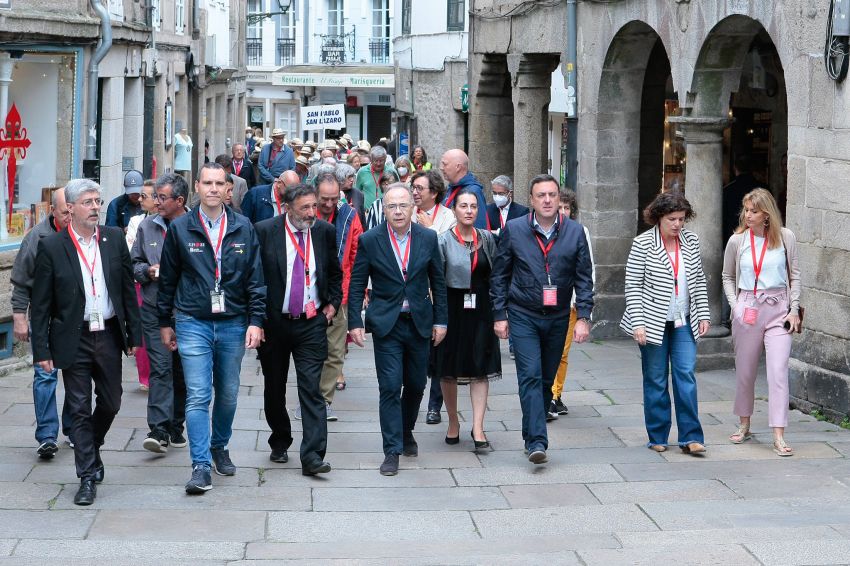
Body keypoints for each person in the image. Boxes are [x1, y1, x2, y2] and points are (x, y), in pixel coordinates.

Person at [31, 178, 142, 506]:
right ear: (71, 209)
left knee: (112, 402)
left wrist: (133, 335)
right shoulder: (52, 247)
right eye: (89, 202)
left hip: (107, 333)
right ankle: (87, 475)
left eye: (98, 201)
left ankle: (90, 446)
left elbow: (126, 292)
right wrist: (41, 350)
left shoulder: (113, 239)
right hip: (72, 336)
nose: (96, 207)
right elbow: (40, 305)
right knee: (78, 406)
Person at [157, 163, 266, 494]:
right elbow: (168, 279)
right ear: (197, 186)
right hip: (193, 321)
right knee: (199, 394)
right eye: (208, 183)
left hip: (233, 321)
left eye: (220, 183)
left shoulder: (244, 227)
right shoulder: (181, 228)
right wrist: (165, 322)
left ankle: (220, 445)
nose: (214, 189)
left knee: (229, 394)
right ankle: (200, 464)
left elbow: (256, 279)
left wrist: (256, 321)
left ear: (228, 189)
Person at [490, 174, 593, 464]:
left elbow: (584, 278)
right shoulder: (514, 229)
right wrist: (500, 314)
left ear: (559, 199)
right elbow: (500, 275)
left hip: (559, 314)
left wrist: (583, 316)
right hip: (524, 313)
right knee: (530, 375)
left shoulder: (575, 232)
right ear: (532, 200)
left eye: (552, 195)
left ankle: (529, 430)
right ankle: (537, 441)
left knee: (546, 378)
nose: (547, 200)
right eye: (541, 195)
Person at [348, 183, 448, 476]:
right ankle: (391, 450)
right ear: (384, 209)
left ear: (413, 208)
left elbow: (438, 283)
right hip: (387, 324)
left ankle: (406, 431)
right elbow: (357, 284)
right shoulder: (370, 240)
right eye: (392, 206)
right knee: (390, 386)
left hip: (418, 323)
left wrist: (441, 320)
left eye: (403, 205)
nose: (398, 211)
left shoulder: (428, 238)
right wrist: (355, 321)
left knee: (416, 384)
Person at [255, 183, 342, 474]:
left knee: (311, 389)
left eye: (313, 206)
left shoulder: (324, 232)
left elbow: (334, 272)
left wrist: (332, 305)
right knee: (274, 387)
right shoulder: (265, 230)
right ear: (286, 208)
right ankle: (280, 439)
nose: (311, 213)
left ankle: (313, 456)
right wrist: (256, 321)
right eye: (304, 207)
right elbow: (254, 277)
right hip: (275, 323)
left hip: (311, 323)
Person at [620, 191, 711, 455]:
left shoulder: (691, 241)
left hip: (684, 320)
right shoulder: (642, 244)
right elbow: (633, 286)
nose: (677, 225)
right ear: (659, 218)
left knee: (686, 375)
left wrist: (703, 314)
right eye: (672, 219)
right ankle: (658, 435)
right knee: (656, 379)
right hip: (651, 321)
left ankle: (690, 437)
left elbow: (699, 280)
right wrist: (638, 323)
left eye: (682, 219)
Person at [723, 188, 801, 457]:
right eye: (746, 210)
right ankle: (744, 423)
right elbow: (727, 277)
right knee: (745, 371)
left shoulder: (786, 237)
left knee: (778, 371)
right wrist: (736, 307)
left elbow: (795, 276)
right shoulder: (737, 241)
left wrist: (793, 310)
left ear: (766, 214)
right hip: (748, 307)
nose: (748, 215)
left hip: (779, 309)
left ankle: (778, 434)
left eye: (753, 211)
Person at [434, 189, 501, 450]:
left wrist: (499, 313)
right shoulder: (442, 241)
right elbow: (437, 280)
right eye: (464, 206)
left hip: (482, 310)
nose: (469, 210)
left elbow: (495, 275)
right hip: (452, 309)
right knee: (449, 368)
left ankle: (478, 427)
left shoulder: (487, 238)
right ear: (455, 210)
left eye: (474, 206)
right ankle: (453, 421)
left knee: (480, 368)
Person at [11, 187, 73, 459]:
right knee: (45, 374)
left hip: (76, 317)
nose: (70, 216)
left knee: (76, 375)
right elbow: (21, 280)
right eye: (65, 212)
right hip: (45, 317)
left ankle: (73, 428)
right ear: (53, 211)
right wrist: (19, 317)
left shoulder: (89, 233)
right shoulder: (37, 236)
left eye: (73, 209)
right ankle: (47, 435)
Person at [131, 173, 189, 454]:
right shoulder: (146, 227)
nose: (156, 202)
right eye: (156, 197)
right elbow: (134, 263)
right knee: (161, 368)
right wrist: (147, 272)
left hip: (189, 311)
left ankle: (177, 424)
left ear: (180, 201)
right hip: (155, 310)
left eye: (162, 198)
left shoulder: (196, 225)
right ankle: (159, 428)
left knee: (182, 371)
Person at [410, 169, 457, 425]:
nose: (415, 192)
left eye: (420, 188)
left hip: (439, 290)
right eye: (413, 187)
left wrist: (431, 232)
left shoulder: (448, 217)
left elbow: (451, 252)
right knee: (421, 351)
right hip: (415, 293)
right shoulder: (405, 213)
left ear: (434, 192)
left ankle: (434, 405)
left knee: (440, 349)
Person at [316, 172, 363, 403]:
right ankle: (311, 397)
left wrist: (358, 291)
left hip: (339, 292)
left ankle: (324, 400)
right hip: (307, 292)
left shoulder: (349, 216)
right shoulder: (305, 211)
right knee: (311, 350)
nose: (328, 204)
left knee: (335, 350)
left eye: (334, 199)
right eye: (324, 198)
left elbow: (356, 254)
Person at [548, 189, 595, 418]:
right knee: (549, 352)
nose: (564, 212)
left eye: (568, 208)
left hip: (570, 303)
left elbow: (588, 269)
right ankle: (549, 393)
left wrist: (583, 306)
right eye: (561, 208)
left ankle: (555, 395)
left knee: (562, 353)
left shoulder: (579, 232)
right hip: (545, 303)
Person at [125, 180, 157, 392]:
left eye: (144, 196)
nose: (139, 199)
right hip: (143, 283)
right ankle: (146, 377)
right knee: (144, 334)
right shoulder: (138, 221)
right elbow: (131, 252)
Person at [439, 149, 487, 229]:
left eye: (445, 164)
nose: (441, 168)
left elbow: (479, 228)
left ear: (458, 167)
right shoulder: (451, 188)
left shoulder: (473, 191)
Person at [355, 146, 396, 210]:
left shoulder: (392, 171)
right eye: (376, 161)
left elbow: (398, 190)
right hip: (367, 213)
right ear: (371, 159)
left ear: (385, 159)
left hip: (387, 212)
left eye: (381, 161)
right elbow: (357, 192)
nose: (378, 163)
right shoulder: (362, 172)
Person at [335, 163, 367, 227]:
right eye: (349, 177)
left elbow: (362, 221)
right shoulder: (332, 194)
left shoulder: (358, 194)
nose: (352, 180)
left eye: (352, 176)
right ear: (340, 178)